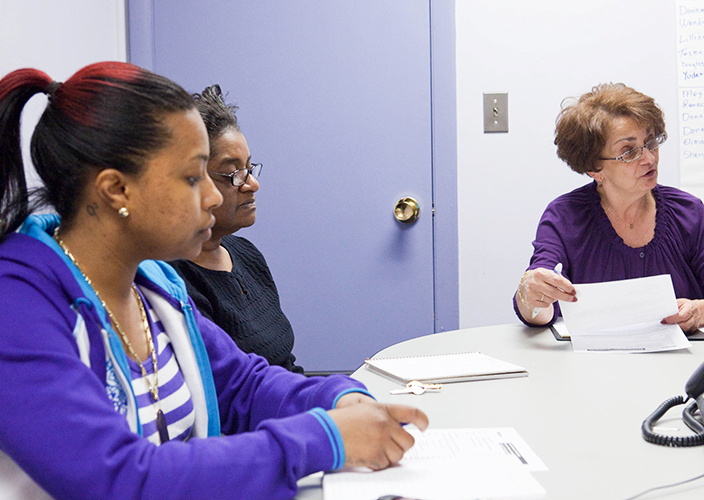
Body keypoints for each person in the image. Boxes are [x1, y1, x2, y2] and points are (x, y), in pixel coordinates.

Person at [0, 62, 427, 500]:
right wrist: (323, 438)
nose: (212, 195)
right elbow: (119, 478)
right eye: (192, 177)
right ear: (116, 190)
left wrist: (337, 399)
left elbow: (244, 385)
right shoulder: (18, 306)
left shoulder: (154, 285)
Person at [514, 83, 704, 332]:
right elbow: (539, 306)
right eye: (629, 151)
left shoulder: (687, 211)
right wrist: (530, 294)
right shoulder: (566, 216)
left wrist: (701, 311)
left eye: (651, 142)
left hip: (684, 364)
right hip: (591, 365)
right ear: (594, 168)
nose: (649, 158)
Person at [169, 85, 302, 373]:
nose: (252, 184)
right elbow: (230, 391)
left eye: (250, 169)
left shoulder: (246, 254)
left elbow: (285, 364)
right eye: (234, 174)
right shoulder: (174, 279)